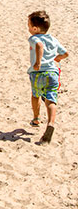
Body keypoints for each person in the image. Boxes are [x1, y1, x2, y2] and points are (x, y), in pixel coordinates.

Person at [27, 11, 68, 144]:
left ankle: (36, 118)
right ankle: (50, 123)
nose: (28, 29)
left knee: (36, 95)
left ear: (35, 28)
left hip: (38, 73)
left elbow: (39, 46)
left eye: (28, 26)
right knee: (51, 98)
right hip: (52, 73)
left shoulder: (34, 38)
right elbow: (65, 53)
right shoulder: (53, 39)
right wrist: (56, 58)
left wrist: (38, 62)